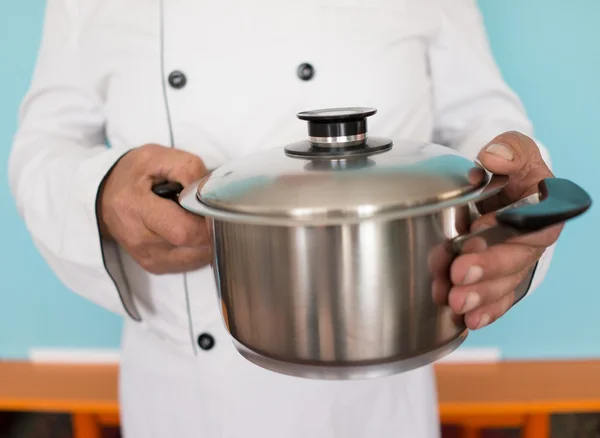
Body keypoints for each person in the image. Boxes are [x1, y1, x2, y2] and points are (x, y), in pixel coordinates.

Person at [8, 0, 564, 437]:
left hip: (380, 389)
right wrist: (102, 194)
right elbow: (44, 145)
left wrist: (515, 201)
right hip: (187, 399)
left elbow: (484, 128)